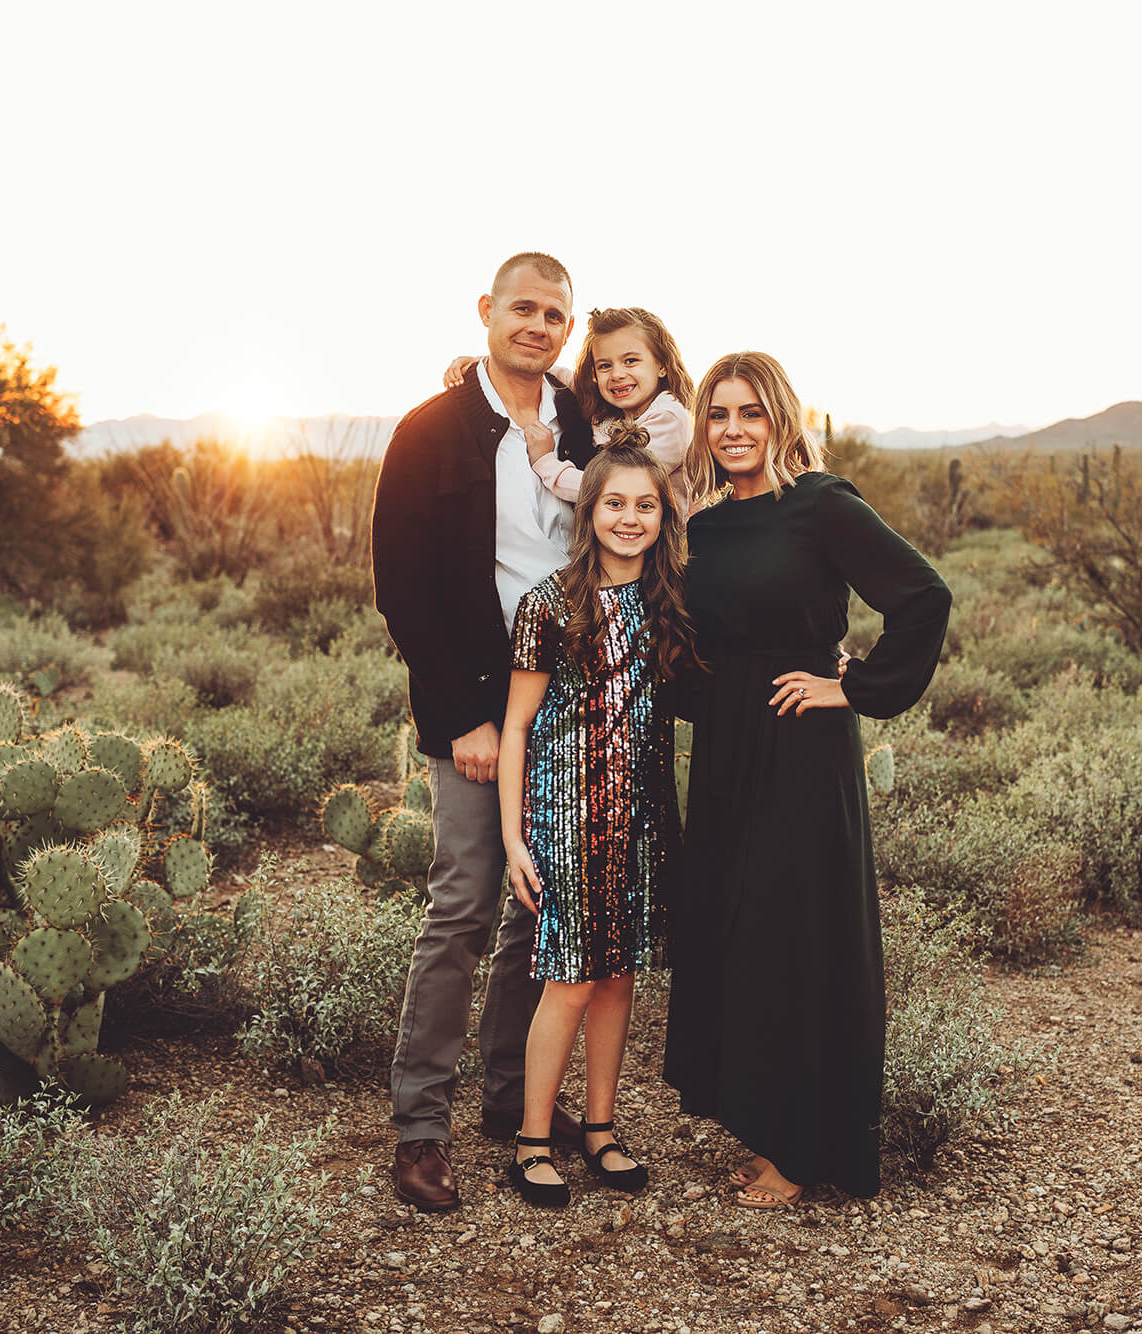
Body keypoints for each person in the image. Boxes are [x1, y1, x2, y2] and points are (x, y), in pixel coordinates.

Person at [661, 351, 951, 1207]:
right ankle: (762, 1120)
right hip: (724, 745)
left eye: (750, 413)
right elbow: (694, 643)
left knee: (798, 932)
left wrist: (851, 687)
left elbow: (923, 595)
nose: (734, 430)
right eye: (719, 415)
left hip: (802, 742)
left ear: (781, 419)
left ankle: (808, 1147)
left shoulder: (822, 506)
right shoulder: (703, 528)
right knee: (738, 928)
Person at [371, 251, 597, 1213]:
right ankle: (421, 1129)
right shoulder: (431, 432)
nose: (538, 326)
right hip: (477, 707)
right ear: (486, 312)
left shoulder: (581, 424)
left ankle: (512, 1105)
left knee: (538, 913)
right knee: (464, 906)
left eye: (555, 314)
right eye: (524, 309)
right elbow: (402, 585)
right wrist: (462, 713)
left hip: (567, 701)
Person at [496, 433, 695, 1206]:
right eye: (615, 503)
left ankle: (602, 1130)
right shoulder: (549, 603)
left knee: (617, 981)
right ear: (589, 511)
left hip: (640, 816)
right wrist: (515, 838)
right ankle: (532, 1139)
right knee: (571, 984)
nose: (630, 518)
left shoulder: (668, 600)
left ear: (663, 516)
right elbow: (516, 726)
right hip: (568, 815)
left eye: (646, 505)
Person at [444, 306, 696, 516]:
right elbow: (559, 375)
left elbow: (612, 488)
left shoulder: (669, 419)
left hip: (659, 555)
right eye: (605, 365)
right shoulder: (611, 408)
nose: (617, 374)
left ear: (661, 365)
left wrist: (545, 462)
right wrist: (488, 364)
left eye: (631, 361)